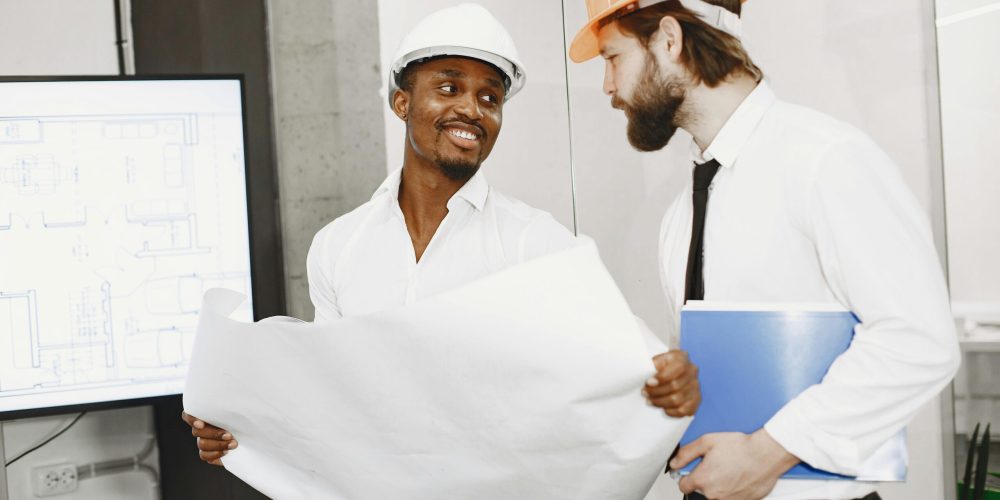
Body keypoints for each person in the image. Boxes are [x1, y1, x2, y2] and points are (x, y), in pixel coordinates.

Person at [182, 3, 701, 472]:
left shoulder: (532, 243)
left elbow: (624, 355)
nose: (473, 110)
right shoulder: (340, 247)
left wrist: (666, 371)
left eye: (489, 97)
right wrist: (242, 429)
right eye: (449, 87)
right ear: (402, 103)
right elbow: (330, 399)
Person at [569, 0, 961, 499]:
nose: (608, 87)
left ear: (670, 40)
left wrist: (765, 454)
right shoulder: (679, 216)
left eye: (613, 58)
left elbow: (919, 341)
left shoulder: (826, 160)